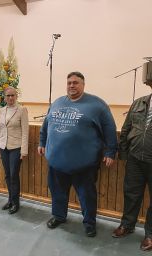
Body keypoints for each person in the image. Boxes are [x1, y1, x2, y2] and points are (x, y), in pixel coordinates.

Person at [38, 71, 117, 237]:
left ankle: (89, 223)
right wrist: (41, 142)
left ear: (83, 84)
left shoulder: (97, 105)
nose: (72, 85)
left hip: (84, 164)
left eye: (76, 82)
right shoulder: (57, 103)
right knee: (57, 192)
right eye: (69, 83)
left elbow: (110, 129)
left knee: (86, 196)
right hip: (57, 161)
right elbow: (46, 126)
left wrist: (111, 151)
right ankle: (59, 216)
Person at [112, 81, 152, 251]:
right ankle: (127, 225)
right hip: (135, 159)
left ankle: (150, 234)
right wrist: (123, 154)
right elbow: (126, 128)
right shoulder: (139, 102)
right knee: (131, 194)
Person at [0, 86, 29, 214]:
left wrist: (24, 151)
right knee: (8, 175)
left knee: (14, 175)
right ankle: (10, 199)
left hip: (16, 147)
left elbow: (25, 132)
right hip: (4, 147)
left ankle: (15, 202)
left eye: (12, 95)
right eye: (8, 95)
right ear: (4, 97)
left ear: (16, 96)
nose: (10, 98)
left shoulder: (22, 110)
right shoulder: (2, 110)